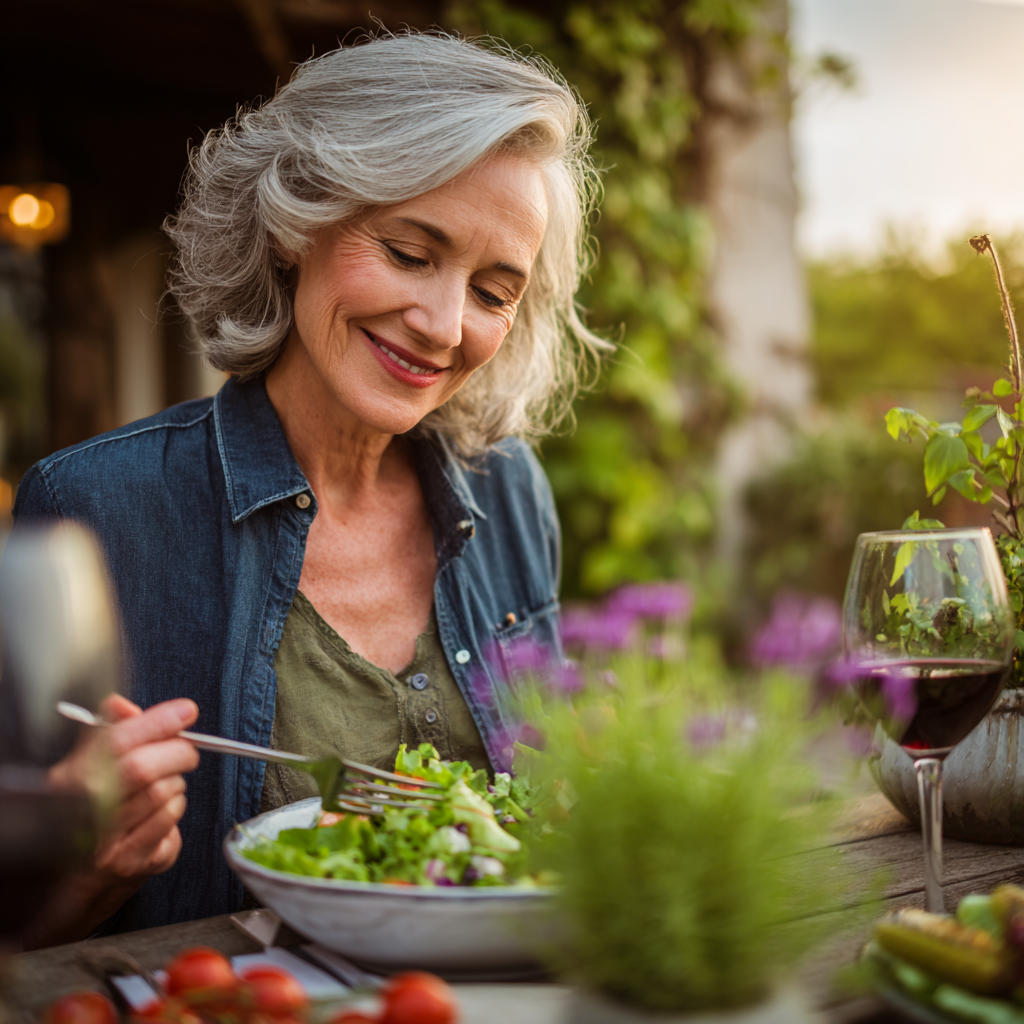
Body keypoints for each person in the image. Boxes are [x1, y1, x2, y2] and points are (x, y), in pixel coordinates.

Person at [11, 31, 605, 946]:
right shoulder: (94, 508)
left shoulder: (511, 489)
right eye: (410, 252)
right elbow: (26, 926)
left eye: (493, 292)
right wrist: (84, 870)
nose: (444, 326)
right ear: (296, 227)